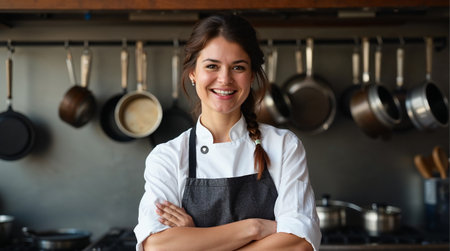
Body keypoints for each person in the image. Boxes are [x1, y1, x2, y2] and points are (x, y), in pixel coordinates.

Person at [134, 14, 321, 251]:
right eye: (212, 66)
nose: (224, 79)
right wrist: (253, 229)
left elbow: (298, 243)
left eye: (238, 67)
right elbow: (157, 246)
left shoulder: (284, 146)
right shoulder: (168, 157)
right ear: (193, 73)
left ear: (252, 75)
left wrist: (196, 239)